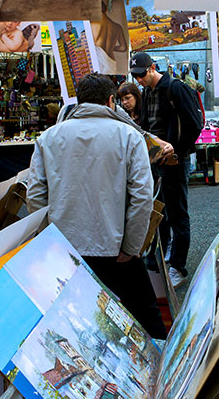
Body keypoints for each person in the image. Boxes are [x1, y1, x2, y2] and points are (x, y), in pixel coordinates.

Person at [26, 74, 167, 339]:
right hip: (114, 248)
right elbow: (142, 196)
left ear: (79, 101)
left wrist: (49, 241)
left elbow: (35, 197)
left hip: (65, 245)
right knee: (146, 314)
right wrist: (131, 246)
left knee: (72, 317)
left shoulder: (48, 137)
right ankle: (168, 373)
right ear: (111, 101)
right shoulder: (128, 136)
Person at [131, 52, 200, 288]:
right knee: (159, 211)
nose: (139, 80)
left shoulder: (175, 88)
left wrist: (177, 151)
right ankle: (157, 259)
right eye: (135, 76)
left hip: (175, 161)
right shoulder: (148, 91)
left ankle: (178, 266)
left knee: (178, 213)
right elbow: (147, 125)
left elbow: (195, 124)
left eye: (141, 74)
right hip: (155, 161)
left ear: (152, 68)